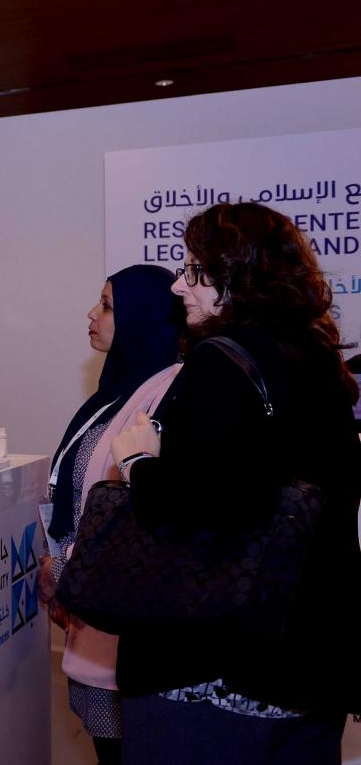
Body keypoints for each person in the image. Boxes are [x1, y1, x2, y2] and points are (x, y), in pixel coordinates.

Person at [109, 202, 361, 764]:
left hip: (212, 674)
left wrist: (137, 463)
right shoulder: (321, 362)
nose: (178, 285)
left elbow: (197, 510)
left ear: (242, 278)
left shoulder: (220, 363)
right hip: (308, 665)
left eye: (195, 271)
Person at [37, 263, 184, 765]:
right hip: (91, 607)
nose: (91, 314)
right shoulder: (118, 391)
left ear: (142, 318)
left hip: (123, 621)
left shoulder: (165, 394)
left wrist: (66, 569)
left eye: (106, 306)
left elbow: (129, 512)